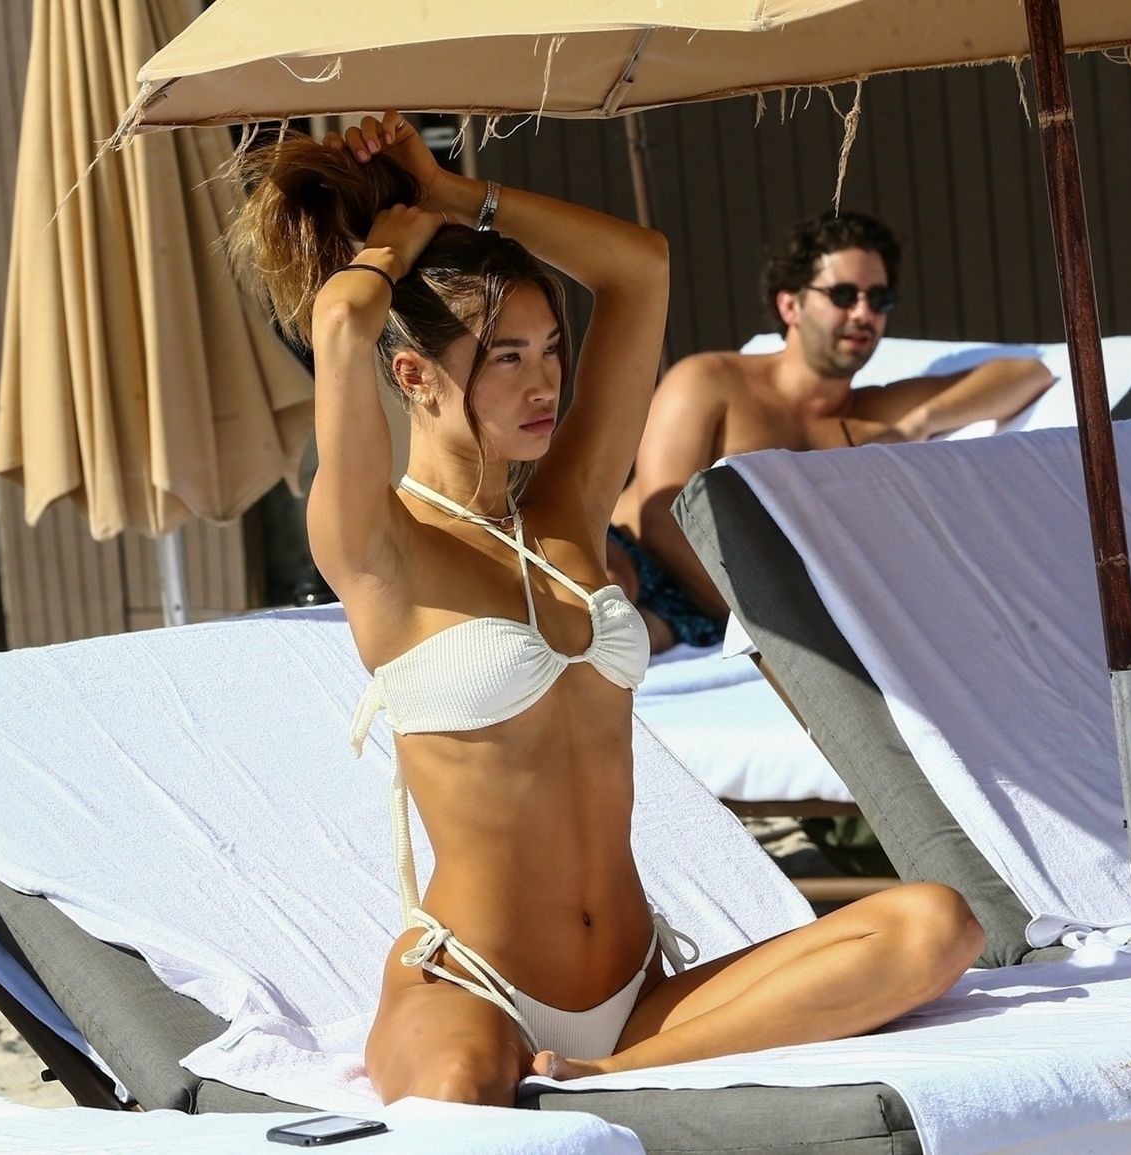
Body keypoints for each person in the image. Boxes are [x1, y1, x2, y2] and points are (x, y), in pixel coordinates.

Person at [231, 112, 982, 1106]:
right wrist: (398, 240)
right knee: (458, 1092)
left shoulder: (567, 509)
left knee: (937, 926)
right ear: (414, 375)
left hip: (638, 996)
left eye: (551, 348)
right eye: (505, 356)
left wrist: (459, 198)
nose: (546, 380)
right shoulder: (378, 546)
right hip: (475, 985)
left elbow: (639, 268)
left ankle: (607, 1077)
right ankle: (579, 1076)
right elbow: (339, 323)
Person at [610, 211, 1054, 644]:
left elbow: (1026, 375)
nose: (863, 313)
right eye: (843, 295)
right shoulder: (710, 381)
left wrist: (917, 425)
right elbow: (660, 518)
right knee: (611, 595)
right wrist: (781, 624)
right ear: (790, 305)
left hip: (704, 617)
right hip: (638, 557)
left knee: (638, 637)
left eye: (879, 299)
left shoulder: (873, 414)